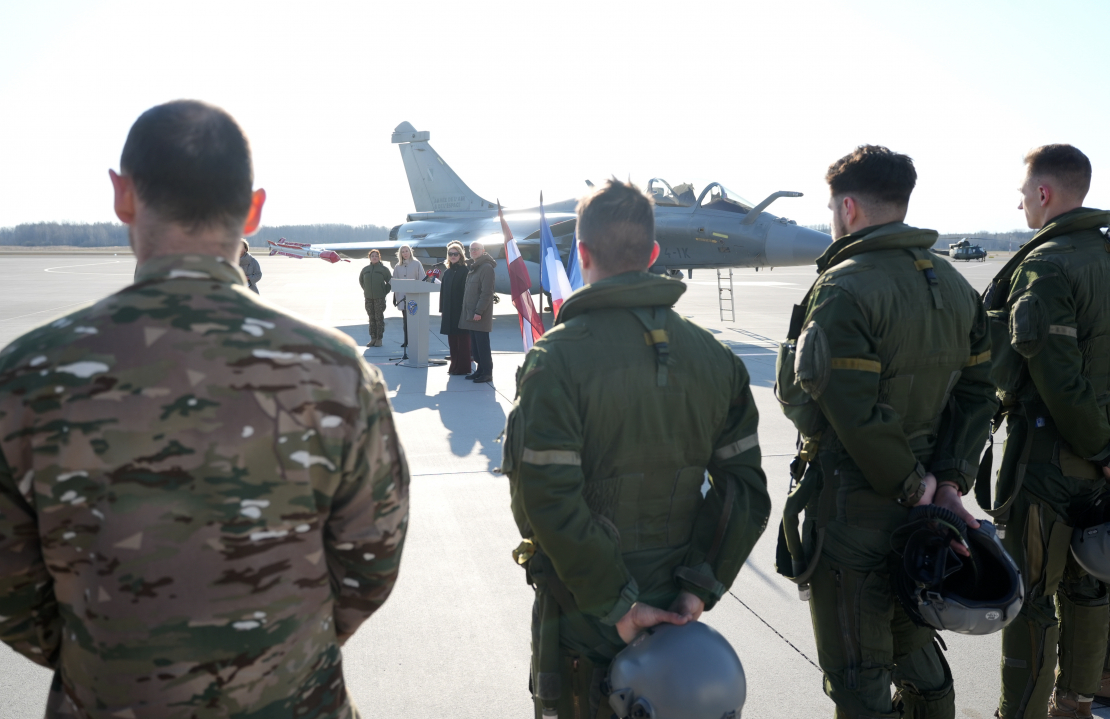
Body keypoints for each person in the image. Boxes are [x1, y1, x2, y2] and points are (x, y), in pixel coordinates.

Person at [0, 100, 410, 719]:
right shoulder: (335, 371)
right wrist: (277, 658)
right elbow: (371, 560)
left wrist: (113, 658)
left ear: (122, 196)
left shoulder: (26, 377)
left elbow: (11, 585)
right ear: (254, 208)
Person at [502, 179, 770, 718]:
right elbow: (745, 490)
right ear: (653, 254)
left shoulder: (556, 360)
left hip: (585, 621)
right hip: (678, 618)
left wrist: (618, 606)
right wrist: (699, 589)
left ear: (582, 252)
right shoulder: (715, 358)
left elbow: (543, 500)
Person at [776, 145, 995, 718]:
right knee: (914, 645)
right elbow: (978, 394)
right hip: (929, 510)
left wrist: (909, 484)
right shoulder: (952, 285)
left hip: (857, 509)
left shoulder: (843, 289)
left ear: (848, 207)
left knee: (857, 674)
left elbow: (851, 410)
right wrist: (948, 481)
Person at [987, 145, 1110, 719]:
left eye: (1023, 193)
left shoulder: (1045, 266)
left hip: (1052, 461)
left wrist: (1100, 448)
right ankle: (1077, 702)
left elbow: (1056, 378)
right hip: (1100, 462)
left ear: (1044, 193)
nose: (1019, 204)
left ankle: (1025, 712)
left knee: (1032, 598)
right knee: (1092, 585)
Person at [457, 241, 495, 382]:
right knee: (475, 345)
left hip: (479, 315)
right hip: (471, 314)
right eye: (471, 249)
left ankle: (487, 373)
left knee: (482, 345)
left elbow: (486, 293)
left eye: (476, 249)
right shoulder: (474, 267)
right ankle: (479, 370)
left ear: (483, 250)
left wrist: (479, 311)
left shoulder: (486, 268)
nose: (473, 251)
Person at [439, 241, 472, 375]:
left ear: (460, 255)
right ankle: (454, 365)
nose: (453, 256)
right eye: (450, 254)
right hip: (448, 311)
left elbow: (468, 293)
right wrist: (442, 310)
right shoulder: (447, 272)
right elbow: (443, 293)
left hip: (460, 311)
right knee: (452, 340)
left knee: (463, 341)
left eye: (455, 254)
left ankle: (463, 367)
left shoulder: (465, 271)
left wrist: (466, 311)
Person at [391, 244, 424, 348]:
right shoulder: (397, 266)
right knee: (405, 320)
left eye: (407, 251)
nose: (405, 253)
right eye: (403, 252)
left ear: (410, 252)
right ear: (400, 254)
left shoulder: (416, 264)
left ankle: (416, 340)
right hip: (402, 297)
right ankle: (406, 340)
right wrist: (395, 297)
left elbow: (422, 279)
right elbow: (395, 282)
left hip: (414, 297)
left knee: (414, 320)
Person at [359, 249, 392, 348]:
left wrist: (384, 291)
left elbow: (390, 282)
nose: (374, 257)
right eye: (372, 256)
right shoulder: (365, 269)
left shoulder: (383, 270)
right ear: (369, 257)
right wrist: (366, 290)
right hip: (368, 298)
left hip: (379, 298)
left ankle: (379, 339)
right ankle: (372, 338)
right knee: (371, 318)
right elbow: (361, 281)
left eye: (376, 256)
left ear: (379, 258)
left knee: (379, 318)